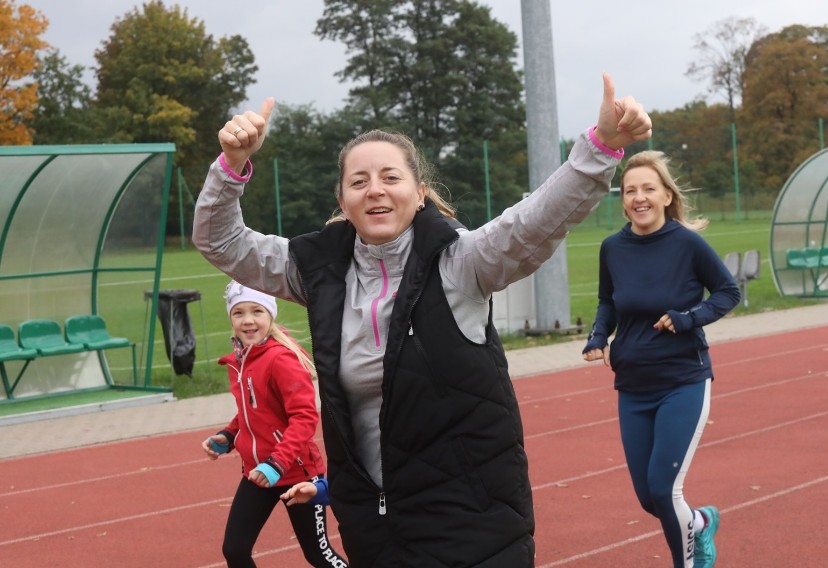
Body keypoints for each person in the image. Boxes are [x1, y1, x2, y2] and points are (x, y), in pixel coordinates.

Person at [193, 73, 652, 566]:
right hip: (376, 528)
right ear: (343, 200)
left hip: (472, 519)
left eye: (391, 177)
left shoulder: (461, 262)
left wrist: (600, 148)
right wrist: (233, 164)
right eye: (359, 181)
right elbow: (220, 242)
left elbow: (534, 221)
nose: (376, 191)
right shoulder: (318, 273)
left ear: (419, 191)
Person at [581, 151, 741, 568]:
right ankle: (702, 523)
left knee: (664, 488)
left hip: (683, 380)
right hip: (632, 384)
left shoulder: (687, 243)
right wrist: (598, 335)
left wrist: (690, 319)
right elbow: (607, 301)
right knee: (650, 497)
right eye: (630, 190)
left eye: (648, 189)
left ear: (667, 195)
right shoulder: (612, 248)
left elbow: (728, 292)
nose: (639, 197)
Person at [202, 280, 347, 568]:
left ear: (270, 315)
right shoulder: (239, 361)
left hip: (297, 474)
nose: (248, 320)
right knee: (235, 550)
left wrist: (277, 463)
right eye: (238, 313)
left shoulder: (281, 360)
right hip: (257, 473)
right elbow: (254, 411)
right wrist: (229, 435)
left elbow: (305, 417)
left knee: (318, 554)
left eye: (257, 311)